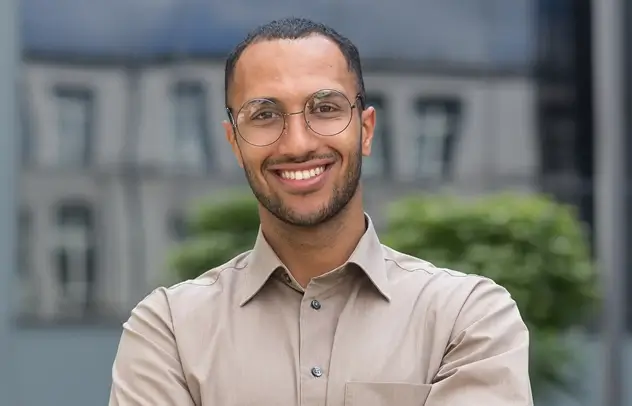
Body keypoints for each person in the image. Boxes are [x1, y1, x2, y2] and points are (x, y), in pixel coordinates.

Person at [109, 17, 533, 406]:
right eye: (265, 115)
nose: (297, 143)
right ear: (234, 142)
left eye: (325, 108)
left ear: (365, 130)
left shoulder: (468, 317)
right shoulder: (169, 330)